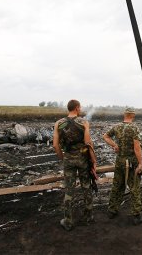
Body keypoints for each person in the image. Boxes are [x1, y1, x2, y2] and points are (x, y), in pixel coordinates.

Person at [53, 99, 96, 231]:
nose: (81, 108)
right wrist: (93, 161)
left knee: (69, 189)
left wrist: (63, 158)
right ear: (77, 108)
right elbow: (88, 143)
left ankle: (68, 221)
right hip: (83, 159)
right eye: (80, 107)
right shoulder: (83, 122)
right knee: (86, 186)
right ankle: (88, 217)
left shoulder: (58, 123)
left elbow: (55, 145)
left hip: (68, 159)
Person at [103, 107, 142, 225]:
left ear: (125, 115)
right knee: (134, 187)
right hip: (131, 162)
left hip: (119, 161)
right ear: (132, 115)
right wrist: (141, 163)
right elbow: (137, 148)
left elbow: (105, 136)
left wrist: (115, 145)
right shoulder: (134, 128)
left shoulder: (116, 127)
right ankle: (137, 215)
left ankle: (112, 210)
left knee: (117, 185)